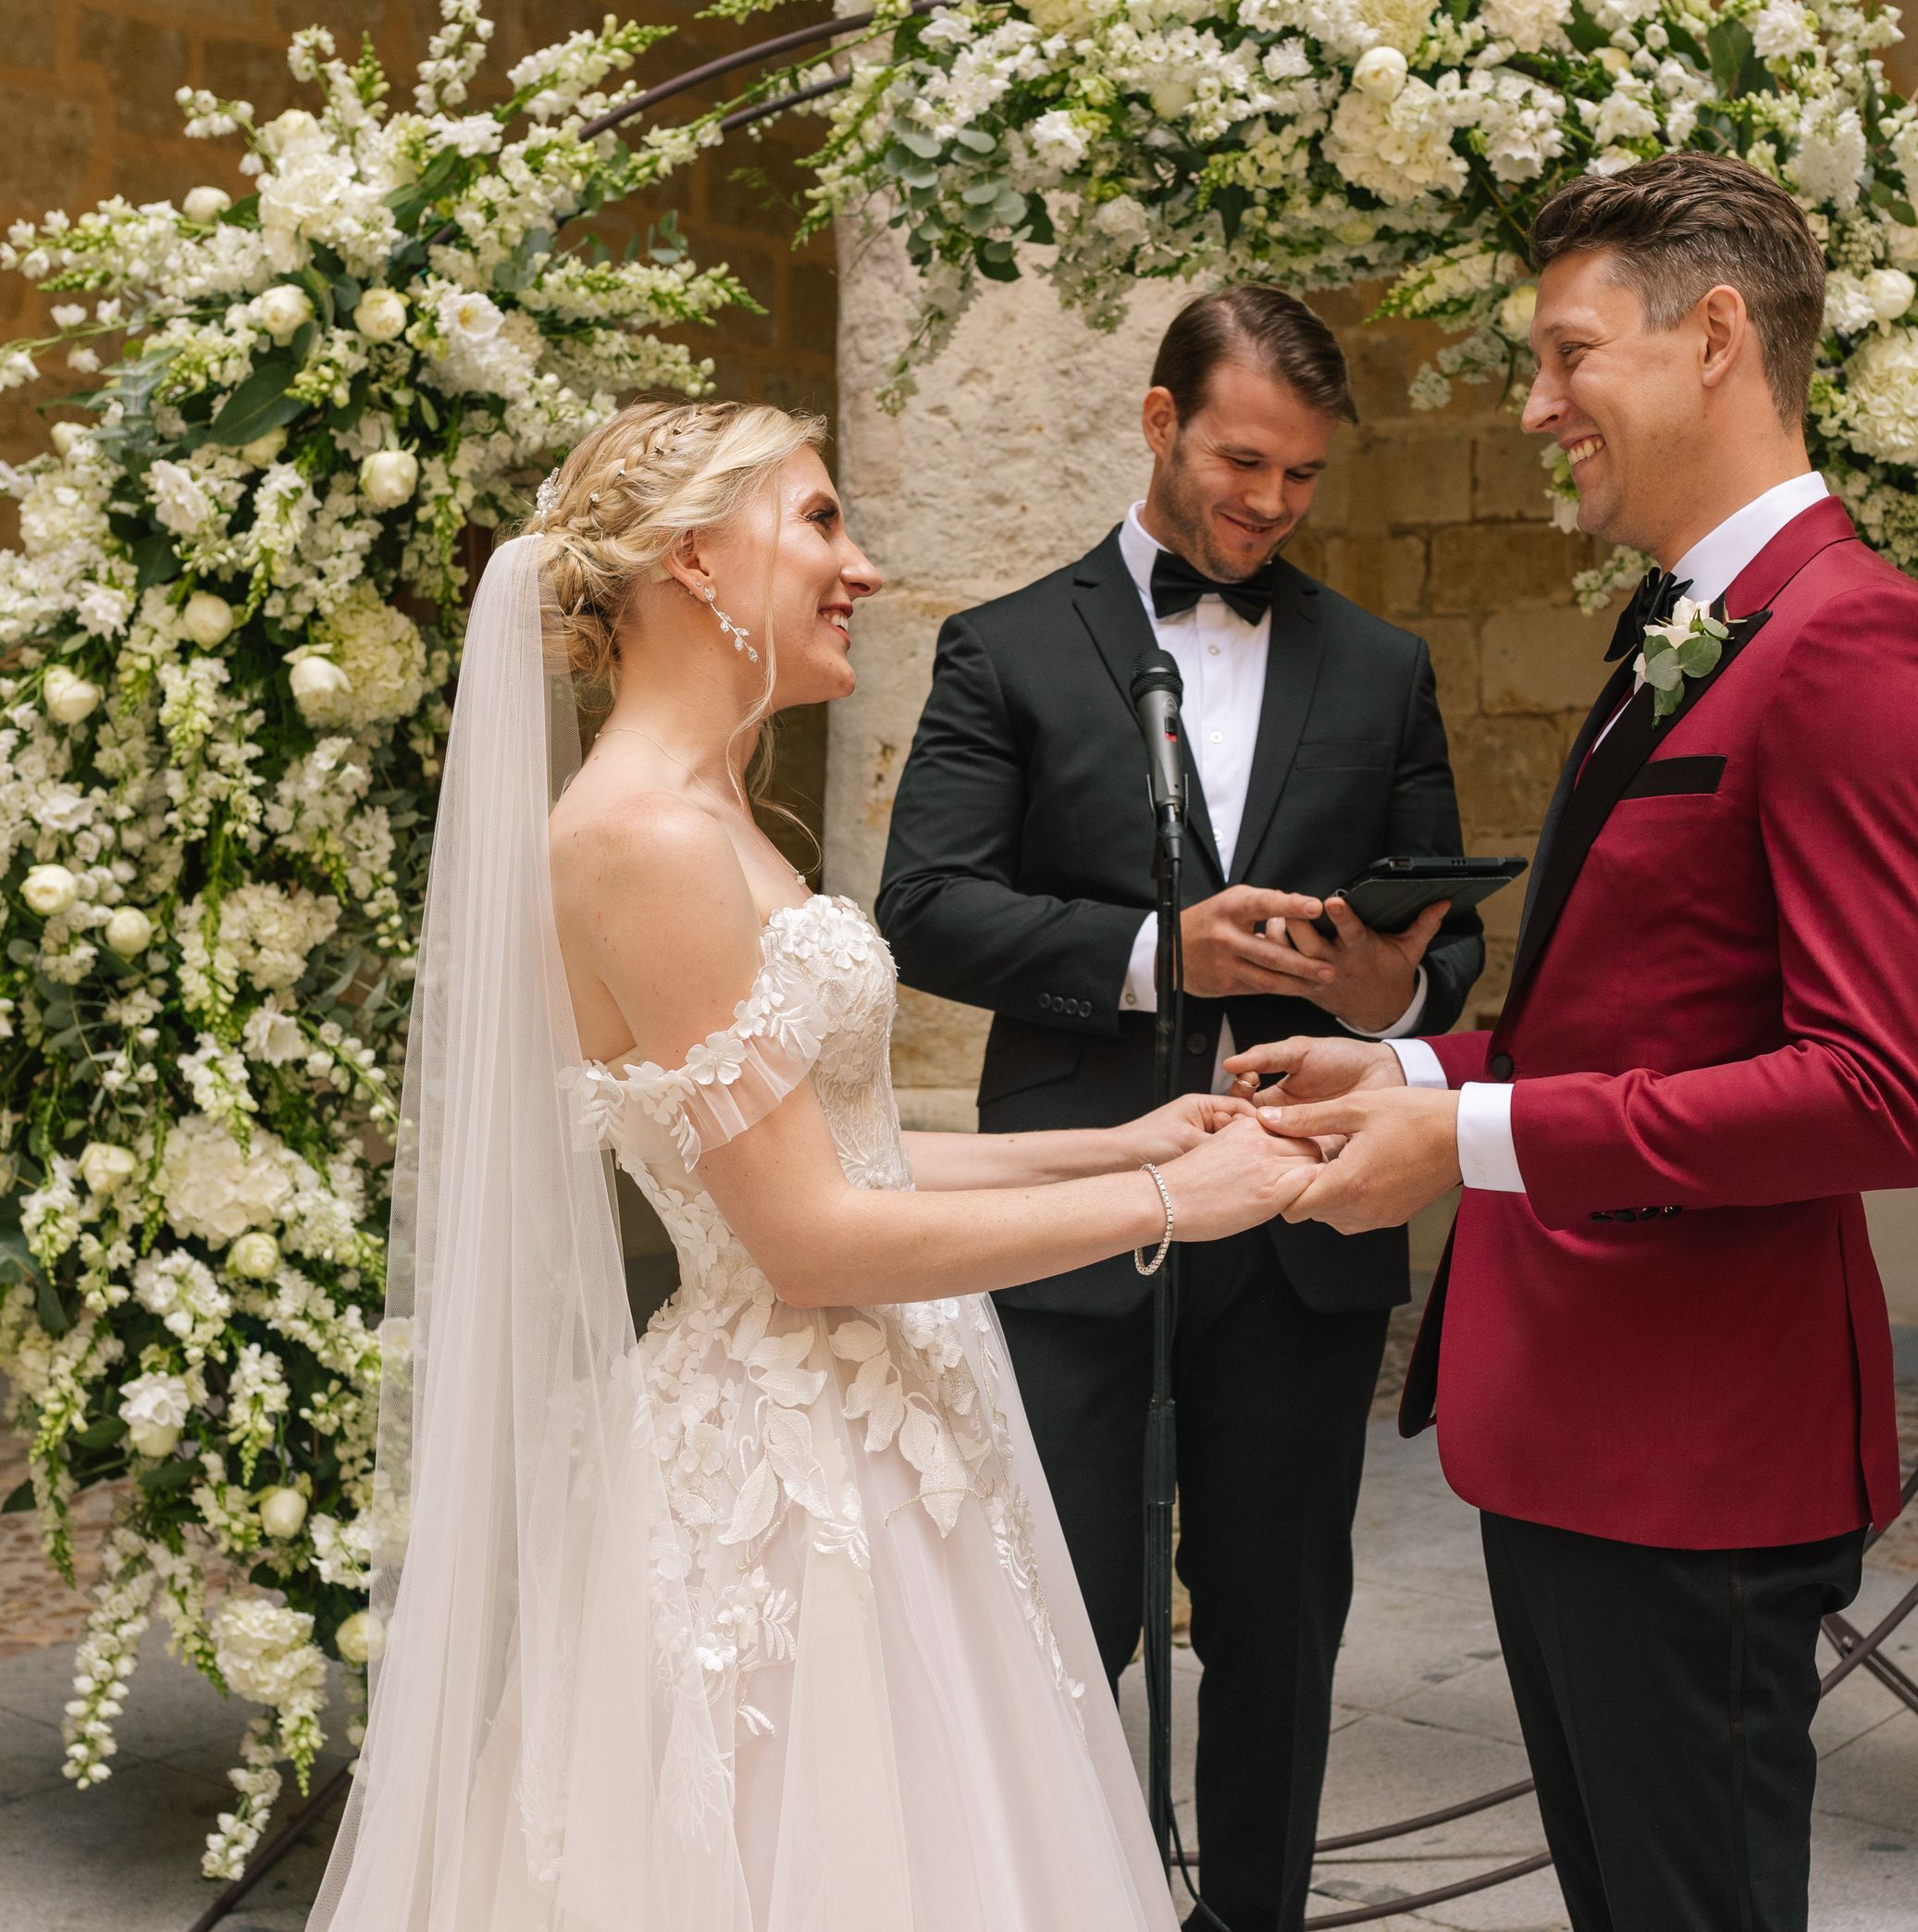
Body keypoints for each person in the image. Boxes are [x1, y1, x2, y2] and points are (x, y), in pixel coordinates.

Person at [305, 399, 1328, 1932]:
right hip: (788, 1477)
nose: (858, 566)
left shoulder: (717, 812)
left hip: (884, 1420)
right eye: (821, 521)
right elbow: (807, 1241)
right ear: (698, 560)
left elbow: (838, 1144)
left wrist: (1119, 1137)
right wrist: (1179, 1204)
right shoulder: (640, 838)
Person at [1233, 155, 1918, 1932]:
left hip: (1698, 1457)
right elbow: (1625, 1017)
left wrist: (1469, 1149)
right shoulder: (1681, 631)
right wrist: (1418, 1071)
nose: (1534, 406)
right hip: (1570, 1429)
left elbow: (1882, 1094)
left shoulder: (1861, 643)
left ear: (1715, 335)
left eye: (1566, 355)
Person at [874, 287, 1486, 1932]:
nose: (1271, 504)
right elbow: (921, 906)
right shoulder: (1004, 644)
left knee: (1283, 1638)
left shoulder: (1384, 665)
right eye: (1241, 462)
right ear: (1159, 422)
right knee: (1060, 1630)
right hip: (1074, 1239)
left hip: (1300, 1228)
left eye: (1300, 477)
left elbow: (1453, 940)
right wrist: (1158, 951)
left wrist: (1386, 998)